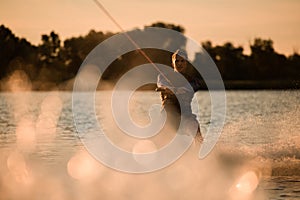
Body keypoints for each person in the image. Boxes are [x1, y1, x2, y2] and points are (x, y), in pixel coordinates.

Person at [156, 49, 202, 141]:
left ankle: (201, 153)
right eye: (177, 61)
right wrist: (166, 89)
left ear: (186, 63)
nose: (179, 63)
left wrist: (178, 90)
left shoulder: (193, 81)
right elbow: (161, 84)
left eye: (182, 61)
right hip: (169, 116)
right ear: (172, 63)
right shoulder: (163, 77)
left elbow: (192, 87)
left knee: (195, 128)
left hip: (185, 116)